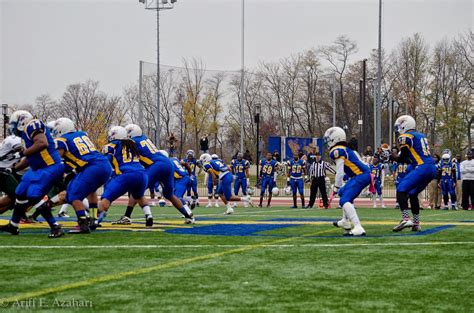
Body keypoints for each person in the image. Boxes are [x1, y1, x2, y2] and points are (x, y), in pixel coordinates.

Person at [0, 110, 65, 238]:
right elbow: (30, 158)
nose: (13, 128)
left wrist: (22, 153)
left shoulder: (32, 125)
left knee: (33, 194)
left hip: (50, 166)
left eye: (14, 124)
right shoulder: (25, 136)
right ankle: (13, 225)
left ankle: (55, 226)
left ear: (21, 121)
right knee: (20, 191)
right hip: (38, 168)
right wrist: (13, 168)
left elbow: (42, 143)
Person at [113, 124, 194, 225]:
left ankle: (127, 216)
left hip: (157, 165)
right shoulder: (144, 138)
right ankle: (188, 216)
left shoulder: (132, 142)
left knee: (136, 188)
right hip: (168, 164)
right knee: (169, 195)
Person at [52, 118, 113, 233]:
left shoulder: (62, 139)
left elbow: (57, 159)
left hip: (92, 167)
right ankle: (94, 219)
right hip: (105, 165)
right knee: (91, 191)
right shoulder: (82, 135)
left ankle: (83, 224)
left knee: (73, 196)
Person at [391, 115, 437, 232]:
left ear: (404, 125)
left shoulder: (406, 136)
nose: (398, 130)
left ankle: (406, 218)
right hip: (431, 168)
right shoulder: (420, 135)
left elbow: (401, 158)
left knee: (401, 189)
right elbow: (409, 159)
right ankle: (416, 223)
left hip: (422, 167)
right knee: (412, 193)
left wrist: (392, 156)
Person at [325, 127, 369, 236]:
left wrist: (335, 187)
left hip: (361, 176)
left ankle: (358, 227)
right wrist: (338, 189)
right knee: (342, 193)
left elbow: (339, 172)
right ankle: (345, 221)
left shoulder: (338, 150)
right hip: (361, 175)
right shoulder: (343, 149)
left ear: (335, 138)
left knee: (344, 199)